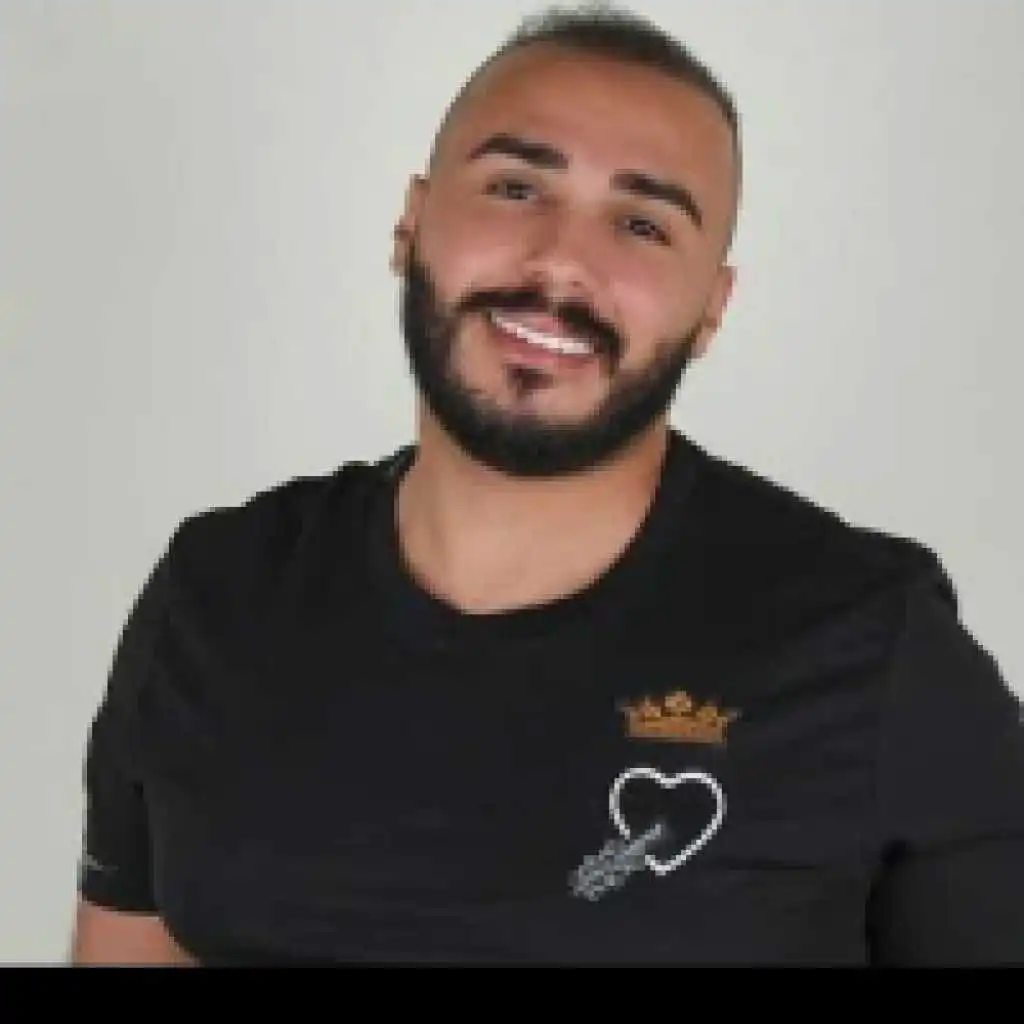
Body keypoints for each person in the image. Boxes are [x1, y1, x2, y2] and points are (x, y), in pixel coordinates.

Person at [70, 5, 1024, 966]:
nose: (564, 261)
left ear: (711, 309)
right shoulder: (217, 592)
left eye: (643, 225)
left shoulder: (868, 644)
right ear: (411, 222)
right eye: (516, 187)